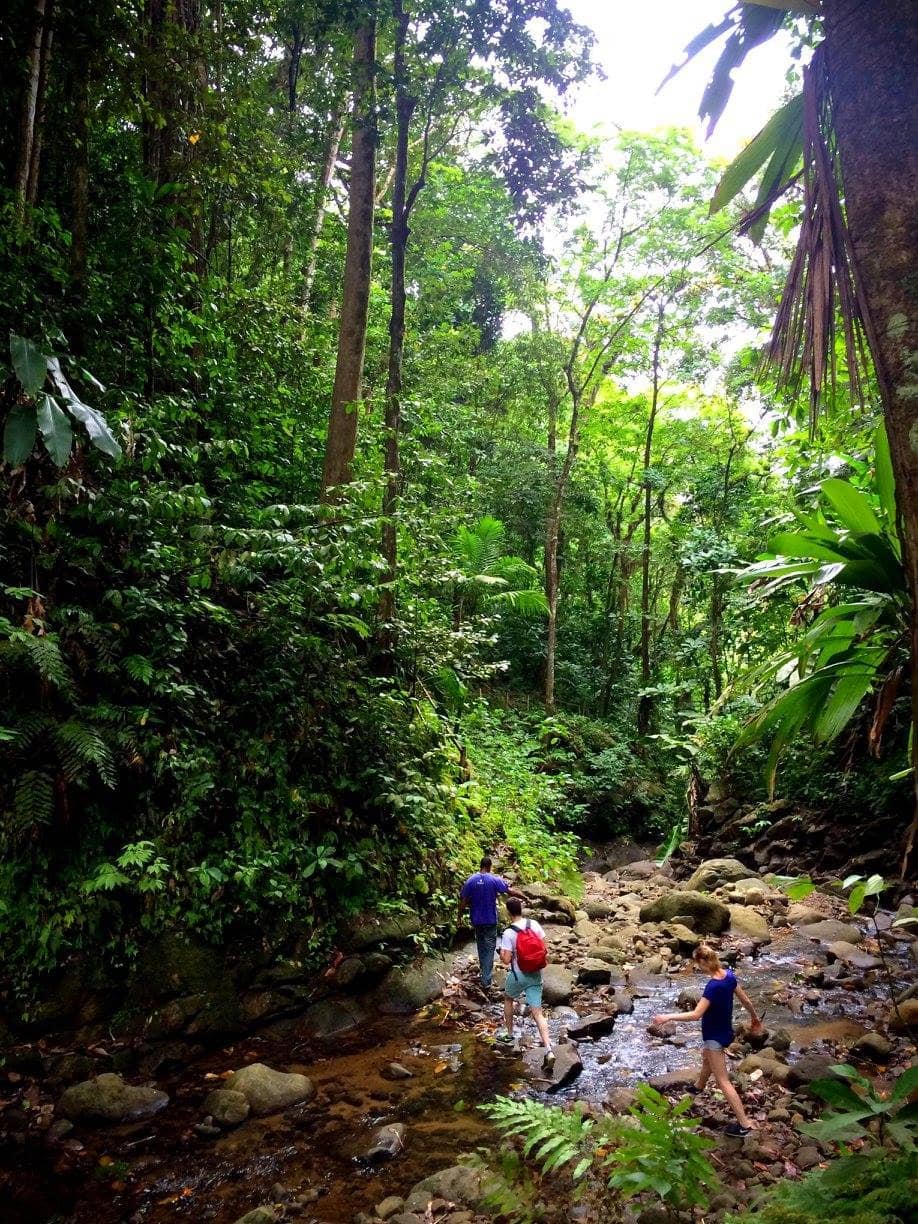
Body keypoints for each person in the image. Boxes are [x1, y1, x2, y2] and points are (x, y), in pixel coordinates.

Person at [652, 942, 763, 1136]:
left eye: (697, 964)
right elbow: (746, 1001)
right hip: (726, 1032)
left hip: (715, 1037)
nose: (696, 967)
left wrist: (667, 1016)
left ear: (704, 962)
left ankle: (744, 1125)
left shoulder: (713, 986)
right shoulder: (729, 976)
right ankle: (698, 1087)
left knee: (723, 1081)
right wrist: (754, 1019)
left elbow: (696, 1014)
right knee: (707, 1059)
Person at [498, 897, 554, 1066]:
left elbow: (506, 960)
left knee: (508, 998)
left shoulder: (508, 933)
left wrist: (501, 952)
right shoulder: (534, 925)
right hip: (535, 974)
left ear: (508, 912)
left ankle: (509, 1034)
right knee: (538, 1013)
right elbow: (545, 949)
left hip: (517, 975)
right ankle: (549, 1049)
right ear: (521, 909)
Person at [459, 857, 525, 990]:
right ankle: (486, 981)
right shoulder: (494, 879)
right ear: (489, 866)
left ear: (480, 865)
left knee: (481, 946)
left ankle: (484, 974)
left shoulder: (471, 880)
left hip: (476, 920)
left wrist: (458, 917)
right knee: (489, 949)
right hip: (490, 920)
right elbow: (509, 891)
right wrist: (524, 897)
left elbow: (463, 901)